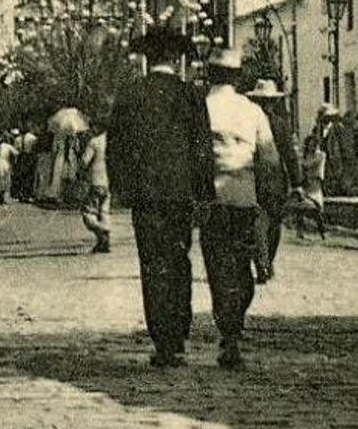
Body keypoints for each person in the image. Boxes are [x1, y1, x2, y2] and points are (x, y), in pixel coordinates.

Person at [109, 29, 214, 367]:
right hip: (181, 194)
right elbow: (202, 150)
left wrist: (121, 188)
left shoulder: (130, 94)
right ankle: (179, 335)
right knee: (179, 259)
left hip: (146, 195)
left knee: (153, 263)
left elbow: (116, 147)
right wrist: (204, 194)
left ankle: (162, 340)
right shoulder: (190, 96)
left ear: (147, 59)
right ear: (176, 59)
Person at [201, 49, 282, 369]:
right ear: (236, 77)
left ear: (209, 74)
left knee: (218, 269)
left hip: (213, 202)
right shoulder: (252, 112)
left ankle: (229, 332)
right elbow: (270, 159)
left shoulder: (200, 109)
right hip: (244, 200)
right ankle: (233, 330)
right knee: (242, 269)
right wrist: (266, 196)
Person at [246, 79, 301, 282]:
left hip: (256, 178)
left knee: (261, 223)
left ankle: (263, 263)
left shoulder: (250, 121)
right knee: (271, 223)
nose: (265, 105)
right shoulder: (278, 123)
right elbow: (289, 154)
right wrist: (297, 182)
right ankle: (265, 263)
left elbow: (288, 153)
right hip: (273, 179)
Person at [80, 122, 111, 253]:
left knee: (88, 212)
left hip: (95, 181)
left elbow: (84, 161)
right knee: (104, 212)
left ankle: (101, 231)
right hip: (108, 182)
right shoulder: (110, 142)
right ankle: (104, 243)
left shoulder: (94, 142)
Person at [295, 134, 328, 239]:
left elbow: (309, 164)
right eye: (310, 144)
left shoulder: (321, 155)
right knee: (301, 208)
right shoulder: (306, 155)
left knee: (316, 208)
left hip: (315, 183)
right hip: (306, 183)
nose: (312, 147)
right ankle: (299, 231)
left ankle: (322, 232)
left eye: (314, 144)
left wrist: (302, 163)